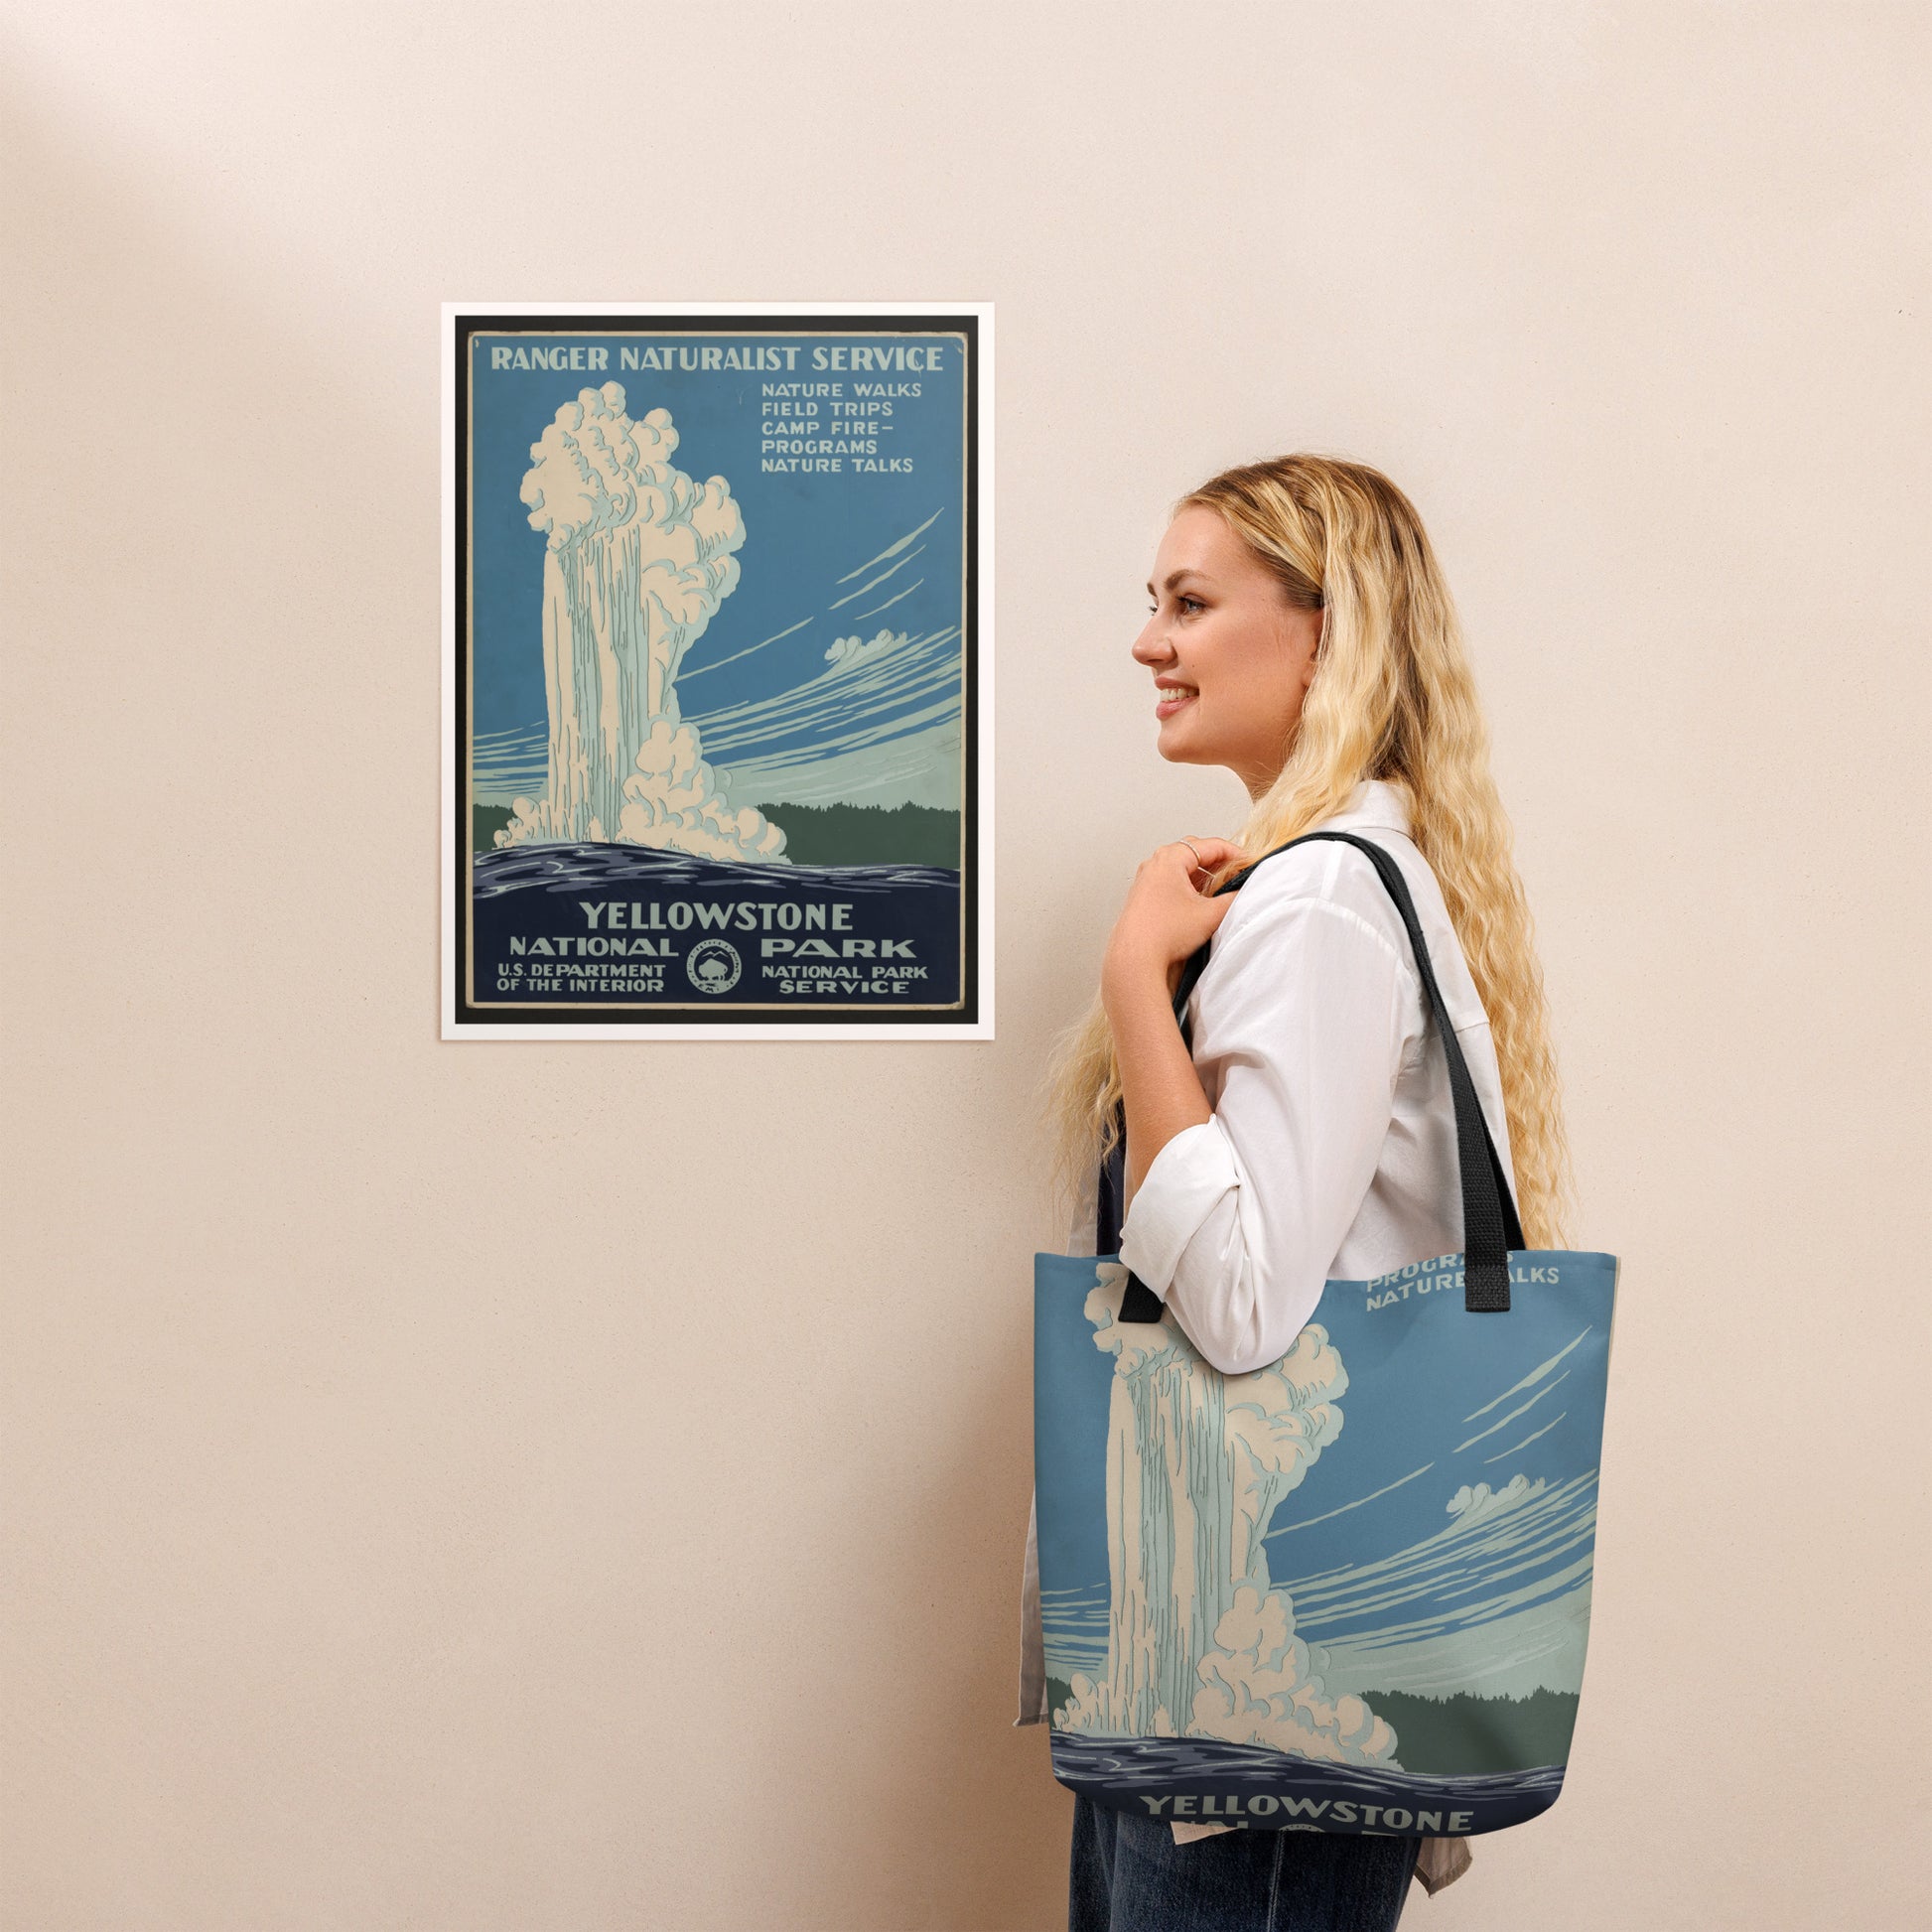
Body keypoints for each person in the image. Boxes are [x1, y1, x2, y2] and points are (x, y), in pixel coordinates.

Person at [1017, 455, 1578, 1930]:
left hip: (1255, 1700)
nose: (1148, 640)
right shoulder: (1339, 874)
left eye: (1189, 602)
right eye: (1152, 604)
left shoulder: (1319, 895)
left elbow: (1244, 1307)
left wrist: (1136, 978)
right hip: (1250, 1679)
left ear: (1325, 630)